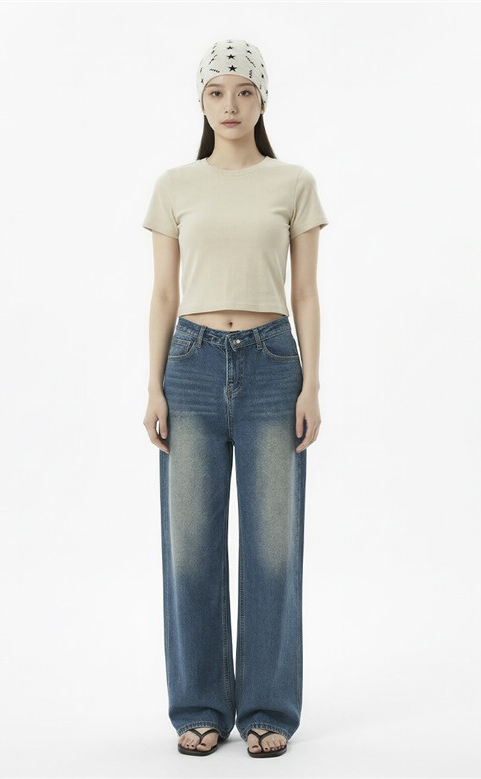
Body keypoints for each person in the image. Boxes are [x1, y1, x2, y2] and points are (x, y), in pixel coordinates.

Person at [142, 38, 328, 758]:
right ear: (201, 101)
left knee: (273, 547)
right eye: (217, 92)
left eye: (244, 91)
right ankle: (198, 706)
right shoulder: (175, 186)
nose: (230, 105)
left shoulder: (293, 183)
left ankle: (268, 708)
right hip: (189, 366)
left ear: (262, 100)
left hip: (273, 366)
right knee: (189, 547)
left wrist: (312, 381)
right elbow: (164, 292)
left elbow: (305, 292)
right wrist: (153, 383)